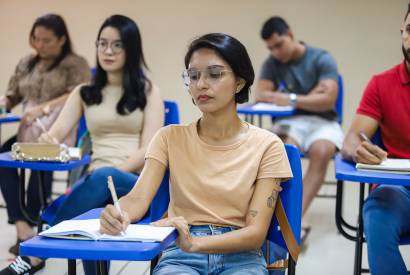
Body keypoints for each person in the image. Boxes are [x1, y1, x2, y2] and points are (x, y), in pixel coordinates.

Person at [100, 33, 293, 275]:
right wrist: (117, 213)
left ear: (239, 83)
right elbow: (137, 200)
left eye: (215, 74)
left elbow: (255, 234)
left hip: (241, 257)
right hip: (181, 257)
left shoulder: (267, 145)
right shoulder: (169, 137)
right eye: (193, 76)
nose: (201, 84)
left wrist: (196, 243)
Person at [0, 14, 163, 275]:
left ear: (131, 49)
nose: (107, 51)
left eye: (117, 45)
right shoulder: (84, 92)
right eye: (102, 43)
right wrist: (47, 141)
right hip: (95, 183)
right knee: (93, 206)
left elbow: (149, 150)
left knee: (100, 177)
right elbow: (55, 134)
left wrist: (108, 173)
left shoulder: (148, 91)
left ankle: (34, 254)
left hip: (134, 182)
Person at [0, 12, 90, 264]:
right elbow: (12, 94)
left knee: (42, 162)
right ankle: (22, 224)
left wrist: (44, 107)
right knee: (4, 159)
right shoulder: (27, 62)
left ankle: (35, 226)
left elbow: (81, 94)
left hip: (59, 130)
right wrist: (4, 103)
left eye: (47, 40)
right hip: (29, 132)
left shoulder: (75, 64)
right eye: (36, 39)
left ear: (62, 39)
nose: (40, 45)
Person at [253, 16, 343, 234]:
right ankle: (275, 215)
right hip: (290, 122)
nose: (275, 52)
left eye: (279, 45)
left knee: (321, 151)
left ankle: (292, 220)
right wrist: (309, 97)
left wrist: (291, 99)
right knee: (281, 152)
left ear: (290, 35)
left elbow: (328, 100)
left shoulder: (321, 58)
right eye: (270, 48)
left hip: (324, 121)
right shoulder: (272, 63)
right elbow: (260, 94)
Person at [341, 6, 410, 275]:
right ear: (402, 33)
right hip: (398, 191)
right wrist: (358, 150)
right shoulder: (381, 84)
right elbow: (349, 142)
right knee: (377, 212)